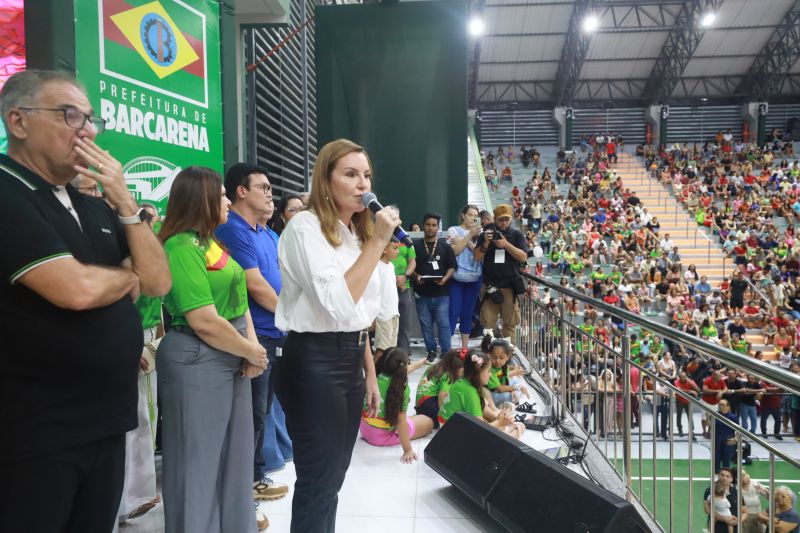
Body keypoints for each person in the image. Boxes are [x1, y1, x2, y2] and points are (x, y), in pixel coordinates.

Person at [0, 69, 171, 532]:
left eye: (91, 119)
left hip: (105, 422)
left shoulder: (93, 205)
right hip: (35, 430)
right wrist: (127, 274)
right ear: (18, 121)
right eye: (69, 115)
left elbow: (157, 281)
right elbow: (74, 289)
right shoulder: (9, 191)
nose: (87, 131)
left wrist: (126, 203)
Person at [275, 138, 396, 533]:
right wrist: (378, 242)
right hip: (314, 360)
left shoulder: (354, 234)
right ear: (326, 181)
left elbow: (360, 317)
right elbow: (338, 303)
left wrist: (370, 373)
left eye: (367, 175)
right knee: (319, 479)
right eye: (350, 174)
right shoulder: (304, 227)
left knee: (334, 478)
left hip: (350, 358)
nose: (363, 184)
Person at [157, 166, 267, 533]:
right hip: (197, 359)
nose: (227, 202)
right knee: (197, 463)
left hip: (230, 353)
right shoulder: (179, 247)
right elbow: (203, 320)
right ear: (200, 200)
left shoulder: (210, 242)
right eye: (220, 196)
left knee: (234, 459)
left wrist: (251, 347)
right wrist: (249, 350)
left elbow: (239, 301)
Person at [215, 163, 290, 514]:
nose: (270, 194)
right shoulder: (233, 229)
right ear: (241, 192)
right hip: (254, 335)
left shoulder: (267, 233)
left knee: (261, 412)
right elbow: (254, 285)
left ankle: (255, 477)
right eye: (263, 187)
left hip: (276, 333)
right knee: (250, 415)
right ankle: (239, 491)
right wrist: (292, 317)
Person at [117, 204, 165, 526]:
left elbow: (158, 304)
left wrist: (158, 339)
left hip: (147, 338)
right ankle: (130, 497)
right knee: (137, 417)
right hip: (131, 337)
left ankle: (138, 493)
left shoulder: (152, 252)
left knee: (146, 415)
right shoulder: (128, 255)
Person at [359, 347, 433, 462]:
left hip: (365, 429)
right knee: (428, 422)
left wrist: (420, 362)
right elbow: (401, 422)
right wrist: (408, 450)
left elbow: (402, 371)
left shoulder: (374, 378)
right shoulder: (400, 388)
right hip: (383, 436)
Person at [438, 350, 525, 439]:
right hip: (452, 435)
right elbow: (479, 430)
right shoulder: (470, 392)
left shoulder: (462, 382)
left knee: (499, 425)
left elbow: (480, 412)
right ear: (477, 373)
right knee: (517, 430)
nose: (490, 374)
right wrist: (499, 422)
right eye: (488, 371)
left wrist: (499, 419)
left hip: (447, 427)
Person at [475, 204, 529, 339]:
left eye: (507, 219)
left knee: (510, 324)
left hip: (510, 285)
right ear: (494, 219)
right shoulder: (486, 235)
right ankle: (488, 350)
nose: (504, 222)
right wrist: (486, 243)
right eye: (501, 220)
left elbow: (523, 257)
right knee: (487, 324)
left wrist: (506, 245)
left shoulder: (516, 235)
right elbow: (476, 257)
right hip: (490, 285)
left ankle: (509, 350)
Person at [413, 212, 456, 361]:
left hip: (441, 292)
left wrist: (445, 279)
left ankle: (446, 352)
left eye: (434, 225)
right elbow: (410, 266)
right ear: (423, 226)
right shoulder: (415, 247)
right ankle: (431, 351)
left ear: (438, 227)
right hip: (421, 292)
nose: (430, 228)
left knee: (444, 324)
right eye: (428, 225)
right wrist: (416, 276)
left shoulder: (445, 247)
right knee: (425, 325)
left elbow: (452, 267)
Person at [447, 204, 483, 350]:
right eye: (470, 215)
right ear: (463, 215)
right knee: (453, 312)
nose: (473, 218)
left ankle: (464, 348)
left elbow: (479, 254)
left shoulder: (480, 234)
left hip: (474, 279)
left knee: (467, 313)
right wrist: (468, 236)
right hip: (456, 278)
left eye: (476, 216)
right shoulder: (453, 230)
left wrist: (465, 240)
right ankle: (446, 348)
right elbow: (455, 251)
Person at [414, 349, 464, 428]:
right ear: (455, 368)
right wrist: (442, 417)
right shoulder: (448, 375)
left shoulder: (433, 367)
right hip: (431, 405)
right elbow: (443, 395)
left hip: (420, 405)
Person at [390, 225, 416, 351]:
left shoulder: (405, 238)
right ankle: (387, 354)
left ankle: (404, 353)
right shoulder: (380, 236)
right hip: (385, 287)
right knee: (387, 323)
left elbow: (412, 261)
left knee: (404, 323)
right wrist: (391, 279)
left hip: (403, 286)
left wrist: (405, 277)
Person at [374, 240, 401, 361]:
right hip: (383, 315)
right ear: (384, 249)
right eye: (394, 248)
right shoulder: (376, 266)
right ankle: (373, 372)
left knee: (392, 349)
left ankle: (387, 372)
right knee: (382, 349)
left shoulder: (391, 266)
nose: (398, 251)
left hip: (394, 313)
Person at [704, 468, 741, 533]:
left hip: (734, 526)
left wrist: (738, 520)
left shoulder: (736, 492)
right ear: (718, 476)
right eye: (722, 475)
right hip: (716, 528)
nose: (724, 478)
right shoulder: (710, 490)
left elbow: (745, 511)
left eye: (727, 476)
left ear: (731, 479)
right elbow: (707, 510)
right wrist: (724, 518)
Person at [714, 399, 740, 473]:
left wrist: (735, 439)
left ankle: (726, 476)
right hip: (717, 440)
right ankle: (716, 475)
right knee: (716, 460)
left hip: (728, 440)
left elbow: (739, 430)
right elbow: (711, 426)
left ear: (728, 407)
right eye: (719, 404)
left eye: (723, 405)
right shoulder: (715, 415)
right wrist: (707, 417)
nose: (720, 406)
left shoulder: (733, 417)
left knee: (726, 460)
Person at [674, 371, 700, 439]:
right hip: (679, 401)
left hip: (688, 401)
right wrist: (690, 391)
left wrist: (692, 383)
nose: (683, 378)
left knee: (690, 417)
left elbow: (698, 390)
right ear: (679, 377)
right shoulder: (676, 381)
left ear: (686, 376)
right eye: (681, 377)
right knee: (679, 416)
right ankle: (680, 430)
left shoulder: (691, 381)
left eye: (684, 377)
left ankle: (691, 432)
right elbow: (679, 390)